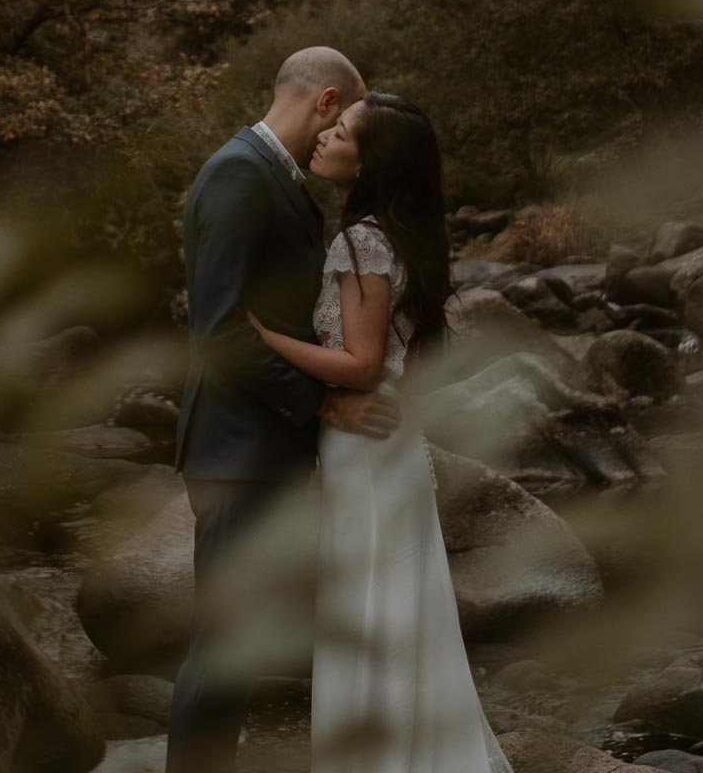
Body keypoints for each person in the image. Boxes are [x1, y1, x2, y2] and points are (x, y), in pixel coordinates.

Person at [246, 91, 515, 773]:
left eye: (341, 130)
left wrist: (267, 337)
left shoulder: (362, 239)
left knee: (372, 610)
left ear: (372, 162)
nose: (325, 136)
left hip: (368, 449)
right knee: (394, 606)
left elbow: (362, 366)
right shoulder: (393, 235)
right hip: (383, 446)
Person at [169, 47, 397, 773]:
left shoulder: (273, 176)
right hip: (238, 452)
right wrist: (325, 402)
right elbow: (219, 332)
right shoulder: (240, 175)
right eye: (345, 120)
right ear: (326, 102)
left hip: (260, 448)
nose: (340, 140)